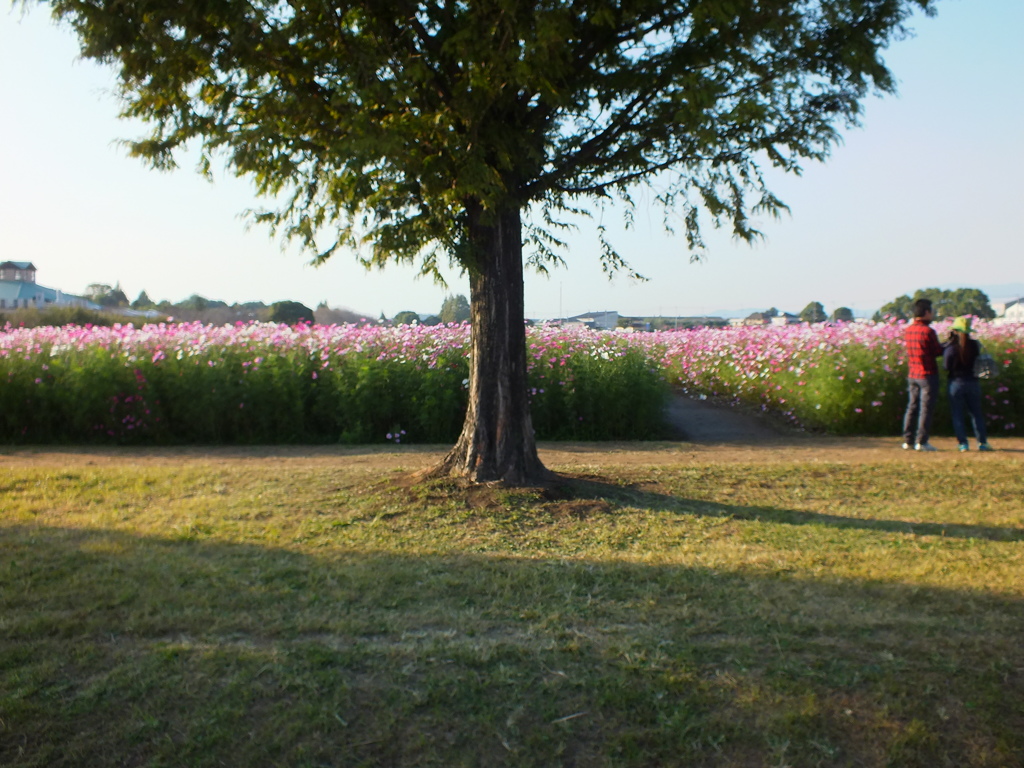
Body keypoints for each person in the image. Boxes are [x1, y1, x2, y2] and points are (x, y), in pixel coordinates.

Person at [944, 316, 993, 452]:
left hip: (956, 383)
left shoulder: (951, 348)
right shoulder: (975, 345)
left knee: (958, 414)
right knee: (976, 413)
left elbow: (946, 366)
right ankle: (982, 442)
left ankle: (963, 443)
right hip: (973, 382)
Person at [902, 298, 944, 451]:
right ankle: (922, 441)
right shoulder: (928, 331)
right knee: (925, 408)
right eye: (931, 311)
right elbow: (937, 351)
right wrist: (948, 344)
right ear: (926, 312)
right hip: (927, 374)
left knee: (912, 407)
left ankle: (908, 440)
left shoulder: (909, 330)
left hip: (913, 373)